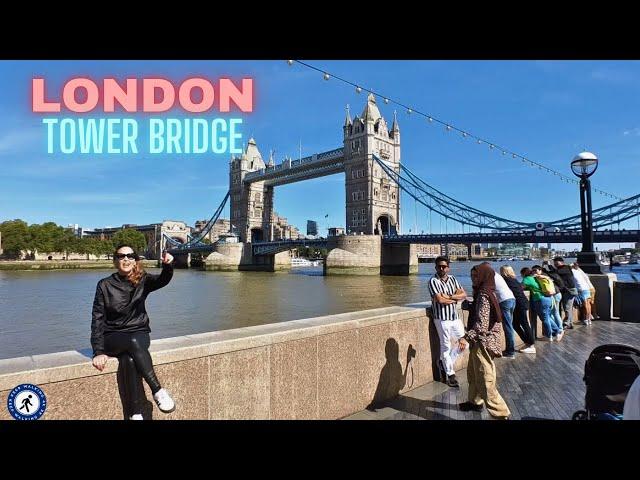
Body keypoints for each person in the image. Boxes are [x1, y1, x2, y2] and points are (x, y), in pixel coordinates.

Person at [91, 244, 176, 420]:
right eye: (121, 256)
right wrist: (98, 351)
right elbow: (97, 319)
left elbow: (162, 280)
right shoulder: (104, 285)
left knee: (129, 359)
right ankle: (158, 390)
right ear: (115, 261)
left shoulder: (142, 280)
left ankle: (135, 414)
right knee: (132, 344)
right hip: (113, 336)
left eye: (130, 256)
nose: (126, 259)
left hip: (139, 332)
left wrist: (168, 265)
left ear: (135, 260)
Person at [458, 263, 510, 419]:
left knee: (485, 378)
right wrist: (471, 305)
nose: (473, 278)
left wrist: (465, 337)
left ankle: (501, 413)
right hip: (479, 341)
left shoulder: (484, 294)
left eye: (476, 275)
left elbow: (482, 324)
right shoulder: (484, 291)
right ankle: (474, 402)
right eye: (472, 275)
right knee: (473, 373)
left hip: (483, 341)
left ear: (484, 276)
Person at [428, 256, 468, 388]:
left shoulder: (453, 279)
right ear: (435, 267)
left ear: (448, 268)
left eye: (444, 266)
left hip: (455, 317)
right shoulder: (433, 281)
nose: (441, 268)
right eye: (439, 266)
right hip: (442, 319)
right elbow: (440, 300)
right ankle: (450, 375)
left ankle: (442, 363)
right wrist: (455, 298)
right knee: (445, 347)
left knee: (465, 342)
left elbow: (463, 294)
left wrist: (450, 297)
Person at [500, 265, 535, 353]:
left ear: (504, 272)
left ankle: (531, 344)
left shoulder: (506, 281)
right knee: (516, 324)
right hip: (521, 302)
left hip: (519, 304)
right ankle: (528, 342)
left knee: (524, 324)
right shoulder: (514, 280)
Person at [521, 267, 560, 341]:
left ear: (523, 274)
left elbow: (520, 287)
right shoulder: (535, 278)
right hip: (547, 298)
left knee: (545, 318)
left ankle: (550, 335)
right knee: (547, 317)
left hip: (540, 299)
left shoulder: (527, 279)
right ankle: (557, 331)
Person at [489, 262, 517, 358]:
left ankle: (510, 352)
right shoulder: (497, 275)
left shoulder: (490, 277)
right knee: (510, 326)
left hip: (504, 301)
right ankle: (510, 349)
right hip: (512, 299)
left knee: (508, 327)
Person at [533, 265, 564, 341]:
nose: (534, 272)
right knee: (551, 315)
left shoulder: (541, 277)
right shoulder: (546, 276)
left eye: (535, 270)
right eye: (533, 270)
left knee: (551, 315)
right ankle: (557, 330)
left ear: (540, 270)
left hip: (552, 296)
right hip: (554, 295)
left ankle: (558, 331)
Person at [551, 257, 578, 329]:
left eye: (557, 262)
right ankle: (570, 323)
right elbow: (555, 273)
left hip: (569, 291)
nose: (555, 264)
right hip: (567, 290)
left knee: (567, 308)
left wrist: (548, 267)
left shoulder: (566, 268)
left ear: (562, 262)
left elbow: (555, 273)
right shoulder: (562, 269)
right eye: (554, 262)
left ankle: (566, 323)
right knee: (569, 308)